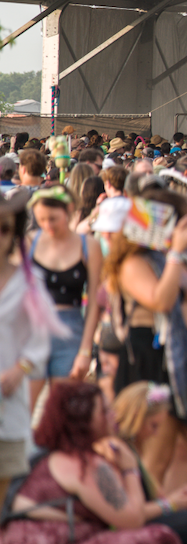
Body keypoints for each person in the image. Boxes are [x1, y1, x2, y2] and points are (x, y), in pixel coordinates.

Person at [105, 186, 187, 543]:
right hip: (153, 361)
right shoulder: (133, 262)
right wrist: (178, 253)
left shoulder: (172, 257)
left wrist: (184, 257)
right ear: (164, 223)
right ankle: (143, 531)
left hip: (186, 362)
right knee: (156, 453)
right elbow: (161, 301)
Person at [1, 379, 180, 544]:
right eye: (104, 411)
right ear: (84, 420)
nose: (113, 415)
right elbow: (133, 520)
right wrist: (130, 469)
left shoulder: (44, 457)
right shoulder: (85, 464)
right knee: (161, 535)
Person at [0, 190, 56, 494]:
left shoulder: (29, 282)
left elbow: (39, 338)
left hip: (7, 408)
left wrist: (20, 368)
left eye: (5, 228)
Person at [27, 187, 102, 406]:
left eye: (53, 219)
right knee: (23, 412)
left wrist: (86, 350)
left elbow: (95, 301)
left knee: (64, 411)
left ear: (69, 211)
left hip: (70, 329)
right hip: (33, 329)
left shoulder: (89, 246)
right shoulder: (30, 242)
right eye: (41, 219)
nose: (47, 225)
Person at [111, 382, 187, 544]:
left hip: (137, 520)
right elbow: (131, 513)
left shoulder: (131, 448)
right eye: (153, 426)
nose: (155, 434)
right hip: (127, 526)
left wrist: (176, 499)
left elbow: (153, 500)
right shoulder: (117, 451)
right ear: (136, 417)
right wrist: (172, 504)